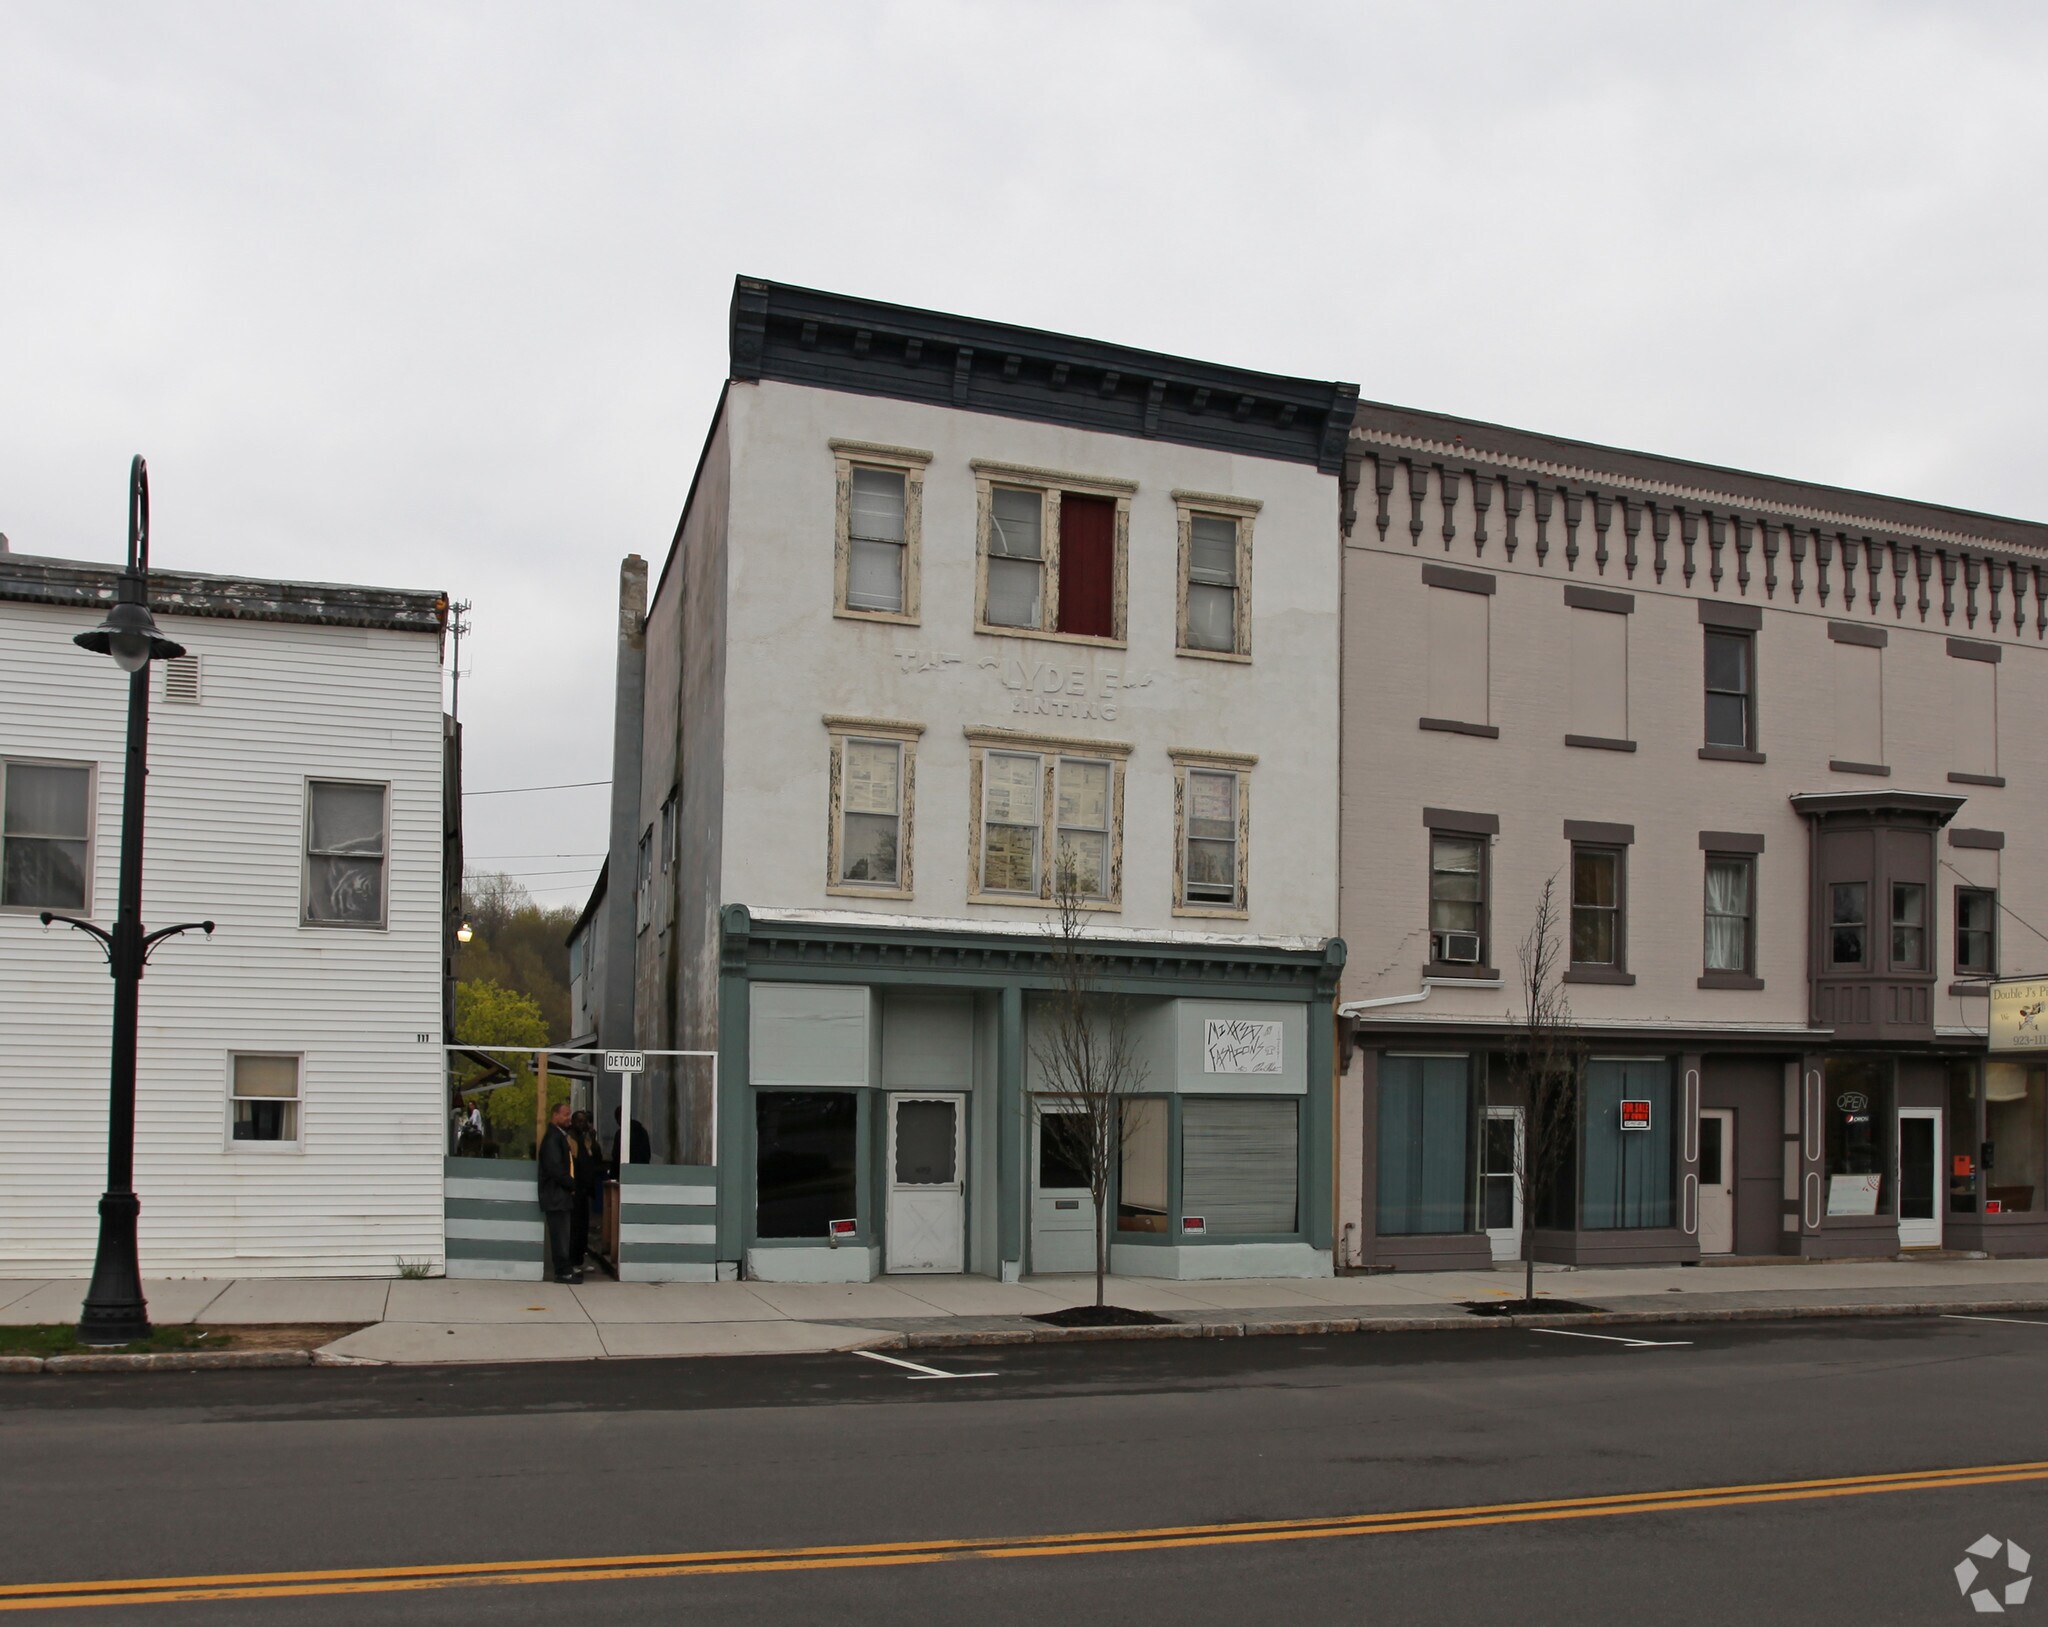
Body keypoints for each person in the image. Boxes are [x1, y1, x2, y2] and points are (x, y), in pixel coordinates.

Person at [537, 1100, 581, 1283]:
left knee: (564, 1234)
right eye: (565, 1114)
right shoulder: (552, 1139)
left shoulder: (559, 1136)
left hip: (560, 1196)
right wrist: (572, 1184)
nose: (568, 1118)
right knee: (560, 1235)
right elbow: (555, 1168)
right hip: (555, 1196)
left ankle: (566, 1267)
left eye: (569, 1114)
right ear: (555, 1115)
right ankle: (562, 1271)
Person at [568, 1109, 604, 1271]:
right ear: (574, 1121)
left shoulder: (585, 1138)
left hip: (585, 1189)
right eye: (580, 1121)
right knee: (574, 1226)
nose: (583, 1124)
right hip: (576, 1188)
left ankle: (579, 1259)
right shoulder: (571, 1138)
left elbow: (595, 1157)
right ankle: (572, 1260)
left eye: (586, 1121)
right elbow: (575, 1162)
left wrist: (593, 1139)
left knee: (583, 1227)